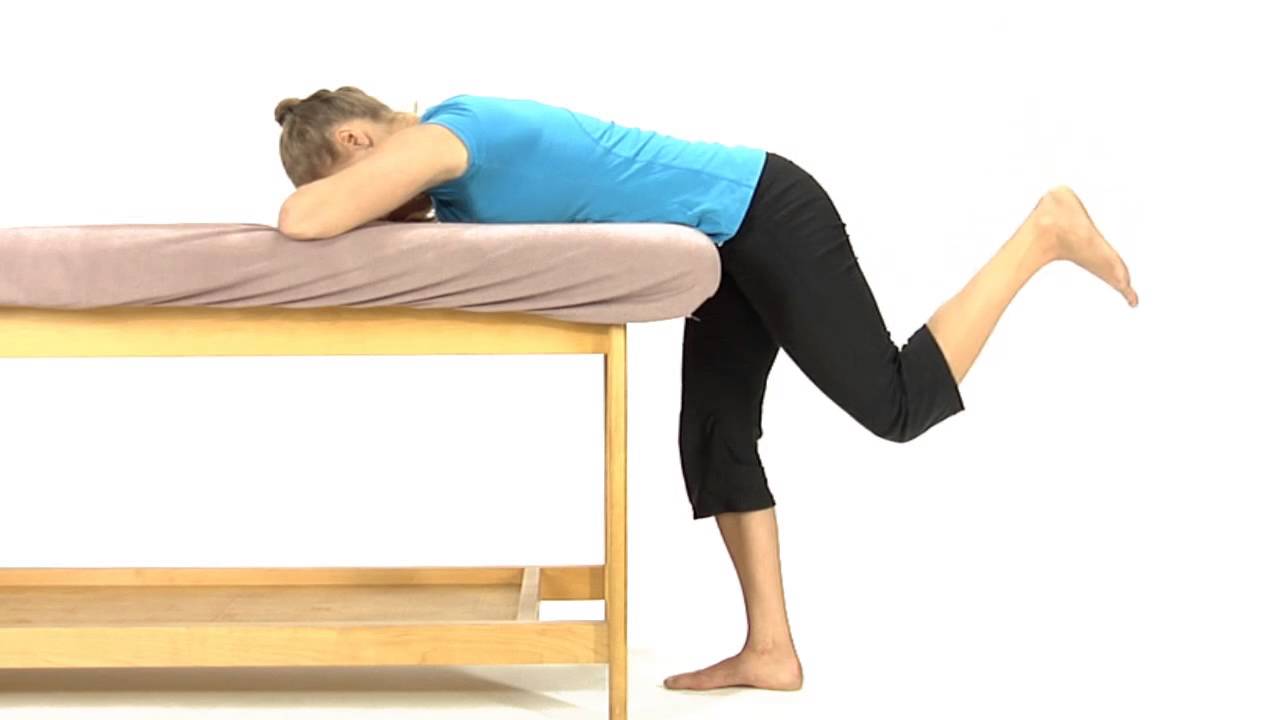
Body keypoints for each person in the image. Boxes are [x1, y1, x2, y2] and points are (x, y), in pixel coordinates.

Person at [274, 86, 1139, 692]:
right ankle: (771, 650)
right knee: (714, 438)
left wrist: (337, 204)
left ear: (356, 145)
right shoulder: (453, 184)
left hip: (765, 210)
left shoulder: (443, 135)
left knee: (895, 404)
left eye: (353, 181)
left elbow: (304, 220)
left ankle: (1044, 231)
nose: (376, 208)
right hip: (724, 254)